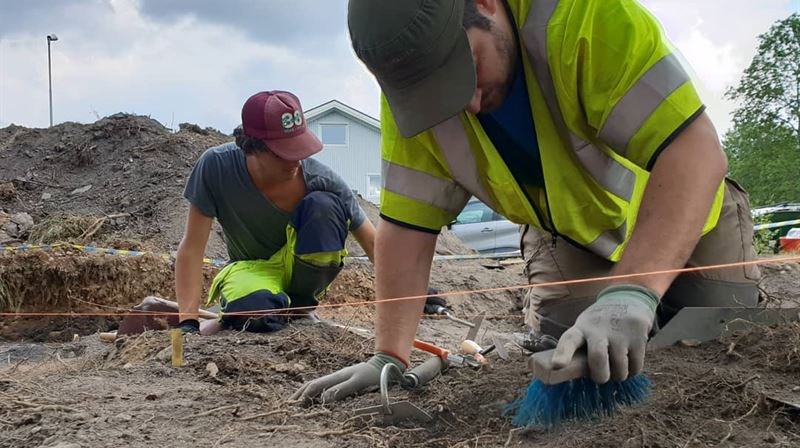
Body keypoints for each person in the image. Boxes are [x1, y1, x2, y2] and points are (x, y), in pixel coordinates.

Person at [292, 0, 759, 403]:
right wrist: (388, 355)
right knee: (577, 359)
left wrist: (632, 291)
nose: (468, 104)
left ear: (486, 3)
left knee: (722, 340)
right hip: (570, 233)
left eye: (466, 68)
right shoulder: (416, 97)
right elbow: (407, 227)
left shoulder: (582, 17)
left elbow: (695, 152)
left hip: (689, 213)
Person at [175, 90, 375, 335]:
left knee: (325, 207)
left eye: (300, 148)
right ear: (252, 147)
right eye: (284, 152)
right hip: (251, 270)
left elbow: (373, 243)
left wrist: (415, 292)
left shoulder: (321, 179)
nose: (296, 161)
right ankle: (260, 310)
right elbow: (192, 247)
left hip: (302, 270)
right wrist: (188, 322)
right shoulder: (216, 167)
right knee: (253, 315)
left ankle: (299, 306)